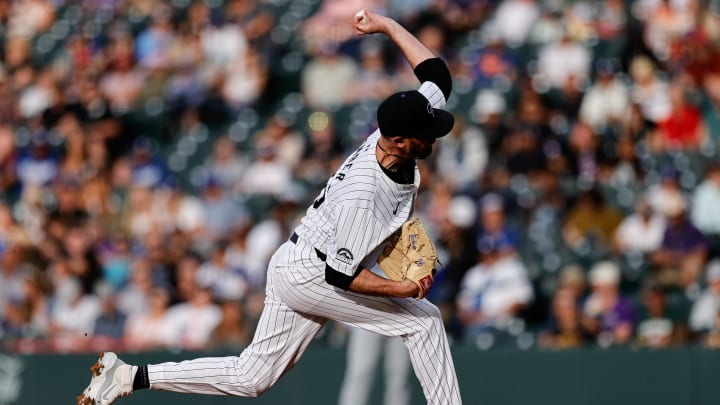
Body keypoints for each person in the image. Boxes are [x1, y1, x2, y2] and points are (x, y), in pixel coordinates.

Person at [77, 9, 462, 405]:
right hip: (316, 272)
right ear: (399, 140)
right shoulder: (364, 195)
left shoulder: (390, 138)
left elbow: (438, 76)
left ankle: (129, 376)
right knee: (424, 322)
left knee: (252, 377)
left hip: (294, 260)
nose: (434, 139)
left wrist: (385, 26)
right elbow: (339, 275)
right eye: (425, 135)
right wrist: (401, 287)